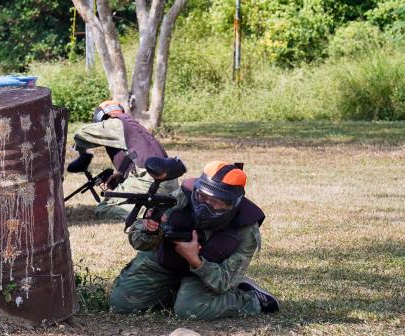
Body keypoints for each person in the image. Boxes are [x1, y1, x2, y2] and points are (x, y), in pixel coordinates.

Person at [108, 160, 279, 320]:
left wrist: (196, 262)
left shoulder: (246, 228)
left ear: (232, 203)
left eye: (215, 202)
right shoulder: (183, 197)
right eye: (202, 197)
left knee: (189, 309)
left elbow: (224, 281)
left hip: (208, 273)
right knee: (121, 302)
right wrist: (149, 229)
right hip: (166, 261)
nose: (205, 205)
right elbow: (138, 242)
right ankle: (175, 293)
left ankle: (250, 298)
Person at [70, 100, 179, 220]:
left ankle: (152, 216)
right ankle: (160, 208)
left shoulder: (115, 123)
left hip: (151, 181)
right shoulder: (135, 126)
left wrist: (82, 154)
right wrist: (120, 175)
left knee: (104, 209)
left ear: (102, 116)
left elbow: (81, 134)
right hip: (169, 183)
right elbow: (135, 156)